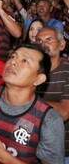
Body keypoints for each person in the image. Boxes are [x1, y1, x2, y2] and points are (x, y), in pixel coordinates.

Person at [0, 44, 64, 163]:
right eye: (12, 57)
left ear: (38, 79)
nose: (13, 62)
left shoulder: (49, 120)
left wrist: (3, 157)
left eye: (24, 61)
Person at [36, 27, 69, 161]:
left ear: (62, 45)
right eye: (39, 41)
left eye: (49, 39)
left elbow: (64, 112)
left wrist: (28, 99)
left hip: (61, 152)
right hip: (32, 147)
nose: (43, 44)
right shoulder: (32, 70)